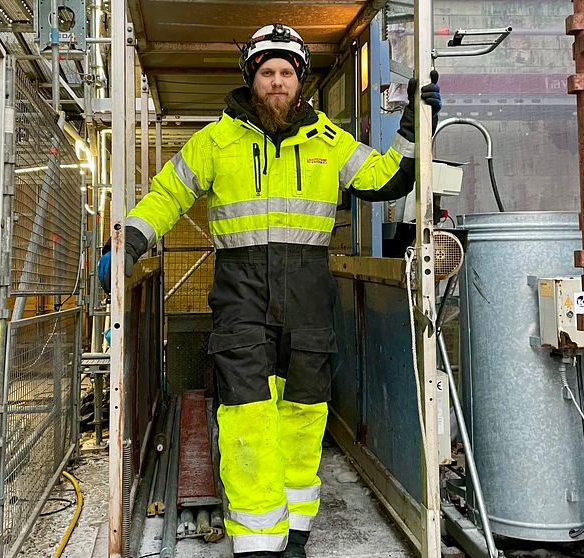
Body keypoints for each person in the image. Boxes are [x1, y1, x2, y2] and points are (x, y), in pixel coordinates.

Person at [100, 23, 442, 558]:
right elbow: (166, 194)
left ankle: (295, 529)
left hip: (308, 291)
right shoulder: (215, 141)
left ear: (299, 80)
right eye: (267, 72)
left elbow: (386, 181)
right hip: (241, 292)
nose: (277, 82)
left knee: (306, 412)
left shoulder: (330, 140)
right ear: (251, 79)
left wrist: (417, 127)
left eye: (286, 72)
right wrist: (130, 243)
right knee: (246, 413)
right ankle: (258, 540)